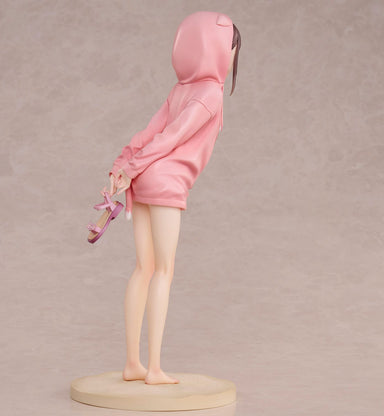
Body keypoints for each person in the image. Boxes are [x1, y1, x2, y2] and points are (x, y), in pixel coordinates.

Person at [106, 11, 241, 385]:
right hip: (165, 184)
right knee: (163, 270)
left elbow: (148, 133)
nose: (233, 56)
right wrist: (128, 168)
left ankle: (132, 364)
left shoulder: (180, 90)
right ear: (218, 48)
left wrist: (124, 165)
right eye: (232, 47)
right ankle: (154, 369)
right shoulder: (210, 93)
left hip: (144, 180)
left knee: (143, 268)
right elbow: (172, 137)